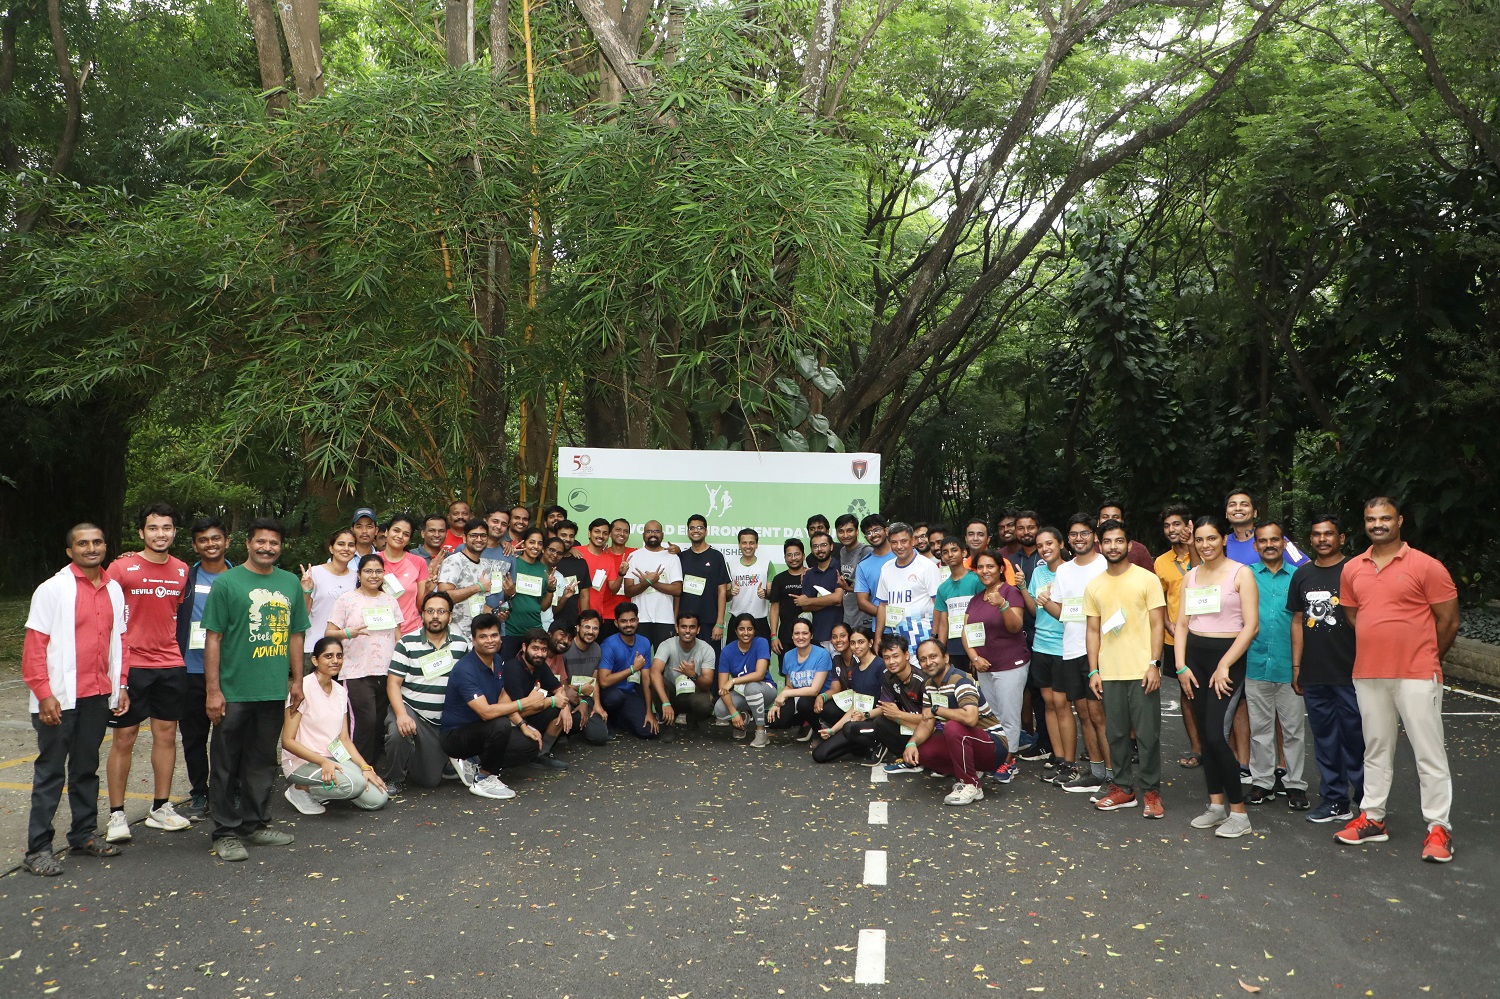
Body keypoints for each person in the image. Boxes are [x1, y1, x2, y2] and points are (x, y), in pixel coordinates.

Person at [1333, 497, 1460, 863]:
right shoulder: (1353, 568)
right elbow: (1355, 615)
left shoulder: (1426, 566)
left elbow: (1449, 621)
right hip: (1369, 672)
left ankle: (1439, 828)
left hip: (1417, 673)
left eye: (1385, 517)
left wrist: (1427, 657)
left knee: (1429, 753)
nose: (1378, 523)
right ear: (1364, 522)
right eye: (1371, 518)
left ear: (1400, 520)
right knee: (1375, 749)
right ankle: (1373, 818)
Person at [20, 524, 128, 877]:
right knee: (50, 773)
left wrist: (120, 685)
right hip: (58, 699)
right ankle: (38, 849)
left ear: (105, 546)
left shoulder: (113, 589)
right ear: (70, 551)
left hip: (97, 696)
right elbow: (34, 649)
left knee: (85, 770)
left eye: (97, 542)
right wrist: (44, 693)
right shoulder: (52, 590)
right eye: (83, 543)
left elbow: (120, 644)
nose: (91, 548)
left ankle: (82, 835)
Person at [202, 517, 310, 861]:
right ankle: (225, 831)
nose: (267, 548)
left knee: (262, 761)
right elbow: (213, 638)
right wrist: (213, 690)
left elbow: (296, 635)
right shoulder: (227, 583)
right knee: (225, 763)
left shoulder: (290, 582)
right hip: (233, 692)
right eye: (261, 541)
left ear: (281, 548)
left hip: (271, 690)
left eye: (274, 543)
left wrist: (296, 680)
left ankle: (256, 823)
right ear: (247, 543)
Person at [104, 503, 192, 842]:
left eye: (167, 528)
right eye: (153, 528)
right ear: (141, 532)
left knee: (167, 735)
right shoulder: (121, 568)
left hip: (170, 664)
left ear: (173, 532)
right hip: (131, 666)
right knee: (124, 738)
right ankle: (116, 815)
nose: (161, 534)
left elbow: (176, 614)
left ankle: (160, 807)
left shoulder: (182, 570)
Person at [1175, 515, 1260, 840]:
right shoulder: (1192, 576)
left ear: (1223, 539)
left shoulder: (1242, 574)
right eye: (1199, 540)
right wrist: (1181, 666)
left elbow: (1250, 626)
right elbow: (1182, 624)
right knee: (1204, 734)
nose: (1205, 545)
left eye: (1211, 538)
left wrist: (1225, 664)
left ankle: (1238, 813)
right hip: (1195, 660)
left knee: (1214, 734)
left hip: (1228, 660)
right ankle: (1215, 805)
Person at [1084, 521, 1168, 818]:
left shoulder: (1147, 579)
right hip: (1110, 672)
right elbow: (1092, 631)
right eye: (1107, 541)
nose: (1113, 547)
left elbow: (1158, 624)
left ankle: (1151, 792)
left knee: (1147, 735)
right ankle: (1123, 789)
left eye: (1119, 541)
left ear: (1129, 545)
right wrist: (1093, 671)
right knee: (1116, 734)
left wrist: (1154, 664)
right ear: (1100, 545)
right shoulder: (1094, 585)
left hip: (1142, 669)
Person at [1289, 514, 1363, 824]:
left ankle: (1367, 803)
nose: (1322, 539)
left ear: (1341, 538)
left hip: (1352, 673)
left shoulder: (1356, 571)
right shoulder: (1302, 574)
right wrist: (1296, 667)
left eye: (1329, 534)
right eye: (1317, 534)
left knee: (1357, 739)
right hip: (1315, 674)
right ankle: (1335, 800)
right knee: (1326, 741)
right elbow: (1296, 621)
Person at [1035, 515, 1109, 794]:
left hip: (1101, 651)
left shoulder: (1104, 565)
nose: (1079, 538)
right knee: (1084, 715)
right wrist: (1046, 604)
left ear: (1094, 536)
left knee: (1100, 715)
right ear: (1069, 538)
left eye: (1084, 533)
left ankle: (1114, 776)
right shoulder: (1063, 572)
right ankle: (1096, 771)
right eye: (1074, 534)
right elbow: (1064, 614)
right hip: (1071, 648)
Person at [439, 613, 545, 799]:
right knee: (500, 724)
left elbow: (502, 697)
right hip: (456, 736)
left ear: (500, 638)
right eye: (483, 636)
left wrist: (522, 725)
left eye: (494, 635)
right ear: (473, 640)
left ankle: (474, 762)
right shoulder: (465, 669)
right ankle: (484, 777)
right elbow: (486, 712)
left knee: (530, 745)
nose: (490, 641)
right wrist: (526, 702)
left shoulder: (497, 660)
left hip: (483, 731)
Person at [281, 637, 389, 815]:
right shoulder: (302, 689)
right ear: (315, 660)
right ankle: (301, 789)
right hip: (301, 762)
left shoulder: (340, 691)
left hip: (333, 759)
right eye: (328, 656)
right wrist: (322, 761)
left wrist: (365, 768)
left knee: (378, 798)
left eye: (339, 656)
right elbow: (287, 741)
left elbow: (344, 739)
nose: (335, 660)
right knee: (355, 784)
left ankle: (325, 790)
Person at [1244, 521, 1310, 809]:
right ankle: (1262, 782)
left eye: (1274, 539)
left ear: (1284, 543)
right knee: (1259, 729)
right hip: (1255, 663)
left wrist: (1302, 665)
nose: (1269, 545)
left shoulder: (1300, 576)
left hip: (1289, 666)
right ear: (1255, 545)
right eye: (1263, 540)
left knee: (1293, 730)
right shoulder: (1245, 577)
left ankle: (1295, 784)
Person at [175, 516, 233, 821]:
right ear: (195, 545)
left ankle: (229, 789)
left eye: (216, 538)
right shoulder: (185, 578)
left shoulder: (241, 577)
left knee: (231, 736)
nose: (210, 544)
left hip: (232, 671)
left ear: (227, 541)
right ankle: (199, 791)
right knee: (194, 737)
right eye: (203, 540)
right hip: (191, 669)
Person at [385, 591, 471, 791]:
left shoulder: (461, 644)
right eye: (430, 611)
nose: (435, 616)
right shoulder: (407, 643)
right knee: (398, 733)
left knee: (430, 780)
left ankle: (421, 757)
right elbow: (393, 684)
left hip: (443, 720)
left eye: (441, 611)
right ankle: (393, 778)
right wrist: (401, 715)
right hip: (411, 709)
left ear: (450, 616)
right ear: (422, 614)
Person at [907, 638, 1010, 805]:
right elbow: (927, 722)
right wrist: (911, 744)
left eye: (933, 656)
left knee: (953, 727)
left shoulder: (961, 680)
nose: (928, 662)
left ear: (946, 657)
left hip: (994, 744)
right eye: (923, 659)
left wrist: (936, 710)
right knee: (923, 749)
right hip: (969, 741)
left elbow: (970, 718)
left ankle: (972, 785)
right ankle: (969, 772)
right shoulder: (928, 685)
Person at [324, 553, 401, 769]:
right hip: (356, 671)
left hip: (386, 672)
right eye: (368, 571)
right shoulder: (347, 600)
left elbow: (398, 637)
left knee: (378, 724)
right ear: (359, 574)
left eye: (378, 571)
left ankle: (371, 770)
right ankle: (356, 771)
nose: (373, 575)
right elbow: (328, 633)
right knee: (363, 723)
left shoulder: (390, 601)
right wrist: (348, 632)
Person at [961, 552, 1028, 783]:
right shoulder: (976, 598)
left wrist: (1003, 606)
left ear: (1001, 568)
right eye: (980, 567)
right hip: (984, 667)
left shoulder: (1011, 592)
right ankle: (996, 757)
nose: (985, 571)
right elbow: (966, 631)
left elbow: (1015, 626)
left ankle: (1010, 761)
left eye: (990, 566)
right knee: (993, 716)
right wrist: (974, 657)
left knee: (1009, 716)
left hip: (1010, 664)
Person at [812, 634, 927, 766]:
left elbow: (929, 720)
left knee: (870, 724)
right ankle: (865, 747)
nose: (891, 662)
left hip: (917, 728)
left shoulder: (921, 680)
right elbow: (883, 707)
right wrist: (862, 716)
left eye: (895, 656)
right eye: (887, 658)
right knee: (820, 754)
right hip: (895, 722)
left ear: (906, 655)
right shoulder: (886, 675)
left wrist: (897, 715)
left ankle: (890, 749)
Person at [1154, 504, 1203, 769]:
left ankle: (1221, 746)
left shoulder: (1208, 550)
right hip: (1176, 638)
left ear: (1189, 524)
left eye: (1177, 524)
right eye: (1167, 526)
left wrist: (1194, 545)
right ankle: (1196, 747)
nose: (1172, 530)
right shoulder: (1161, 561)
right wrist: (1167, 623)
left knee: (1216, 691)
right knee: (1187, 693)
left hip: (1209, 634)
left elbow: (1199, 576)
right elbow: (1159, 600)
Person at [1021, 528, 1072, 778]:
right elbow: (1032, 609)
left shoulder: (1071, 571)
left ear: (1060, 543)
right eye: (1040, 545)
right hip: (1040, 644)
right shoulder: (1039, 573)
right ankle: (1058, 756)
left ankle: (1069, 762)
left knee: (1062, 704)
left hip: (1064, 645)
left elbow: (1071, 612)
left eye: (1049, 543)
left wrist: (1048, 602)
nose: (1044, 548)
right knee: (1049, 705)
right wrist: (1022, 587)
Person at [500, 628, 580, 770]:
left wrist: (565, 707)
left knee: (562, 711)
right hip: (511, 719)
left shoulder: (539, 665)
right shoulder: (513, 668)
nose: (539, 654)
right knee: (555, 705)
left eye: (543, 650)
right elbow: (518, 710)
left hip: (529, 712)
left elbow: (559, 688)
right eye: (535, 648)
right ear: (524, 647)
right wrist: (552, 701)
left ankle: (542, 754)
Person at [651, 611, 719, 740]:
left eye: (692, 627)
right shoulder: (666, 645)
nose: (687, 631)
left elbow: (707, 683)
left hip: (693, 693)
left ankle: (692, 721)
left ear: (698, 629)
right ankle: (668, 725)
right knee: (655, 681)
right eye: (683, 627)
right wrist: (665, 703)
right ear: (677, 628)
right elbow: (654, 671)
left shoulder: (707, 649)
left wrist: (693, 675)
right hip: (671, 695)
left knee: (705, 704)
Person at [874, 522, 943, 645]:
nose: (899, 546)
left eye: (903, 541)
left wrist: (935, 636)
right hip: (898, 641)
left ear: (912, 541)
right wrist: (878, 637)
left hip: (924, 638)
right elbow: (883, 605)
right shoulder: (886, 568)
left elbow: (939, 604)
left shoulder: (927, 567)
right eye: (894, 542)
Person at [713, 613, 776, 747]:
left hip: (766, 689)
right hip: (743, 693)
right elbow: (722, 688)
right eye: (741, 629)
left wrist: (733, 681)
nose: (746, 633)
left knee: (752, 688)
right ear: (735, 631)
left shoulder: (761, 642)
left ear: (754, 630)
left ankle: (761, 732)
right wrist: (733, 713)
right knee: (719, 709)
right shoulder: (727, 652)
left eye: (750, 629)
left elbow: (759, 674)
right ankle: (743, 717)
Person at [595, 602, 656, 739]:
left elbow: (646, 679)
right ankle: (610, 721)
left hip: (630, 692)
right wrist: (633, 669)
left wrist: (649, 711)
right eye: (624, 621)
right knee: (615, 697)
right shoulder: (609, 645)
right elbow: (604, 681)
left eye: (632, 620)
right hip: (610, 693)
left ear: (637, 621)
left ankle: (622, 721)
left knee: (649, 731)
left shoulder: (644, 642)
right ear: (616, 623)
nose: (629, 624)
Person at [766, 620, 834, 740]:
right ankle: (805, 721)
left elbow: (814, 690)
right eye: (797, 633)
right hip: (799, 695)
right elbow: (789, 685)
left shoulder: (822, 654)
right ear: (792, 636)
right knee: (776, 722)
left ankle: (818, 730)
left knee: (804, 703)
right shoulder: (788, 655)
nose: (800, 637)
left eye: (805, 633)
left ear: (811, 635)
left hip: (820, 698)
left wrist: (785, 693)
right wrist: (778, 702)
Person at [621, 520, 683, 648]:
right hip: (640, 620)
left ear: (662, 534)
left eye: (656, 531)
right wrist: (648, 582)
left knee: (664, 664)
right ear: (643, 535)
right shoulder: (634, 556)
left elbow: (677, 590)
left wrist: (652, 582)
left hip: (665, 620)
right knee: (640, 661)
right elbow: (628, 591)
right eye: (649, 531)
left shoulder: (672, 557)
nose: (653, 534)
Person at [438, 518, 501, 640]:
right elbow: (443, 597)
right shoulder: (454, 561)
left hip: (477, 636)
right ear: (464, 538)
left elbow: (479, 601)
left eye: (483, 536)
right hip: (455, 636)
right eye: (474, 535)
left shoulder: (485, 565)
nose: (479, 539)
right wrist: (478, 587)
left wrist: (495, 613)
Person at [498, 527, 555, 659]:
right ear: (523, 544)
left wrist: (551, 588)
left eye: (540, 543)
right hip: (511, 630)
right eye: (532, 542)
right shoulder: (512, 563)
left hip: (534, 630)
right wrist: (509, 593)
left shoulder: (543, 569)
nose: (536, 546)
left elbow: (543, 606)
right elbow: (501, 595)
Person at [301, 528, 358, 653]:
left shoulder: (357, 577)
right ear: (331, 548)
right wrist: (306, 592)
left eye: (351, 545)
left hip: (348, 650)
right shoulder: (315, 573)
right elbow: (302, 615)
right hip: (316, 647)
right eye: (341, 544)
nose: (346, 548)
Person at [816, 626, 881, 735]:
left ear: (870, 643)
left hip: (872, 713)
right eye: (834, 637)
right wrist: (822, 696)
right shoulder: (837, 660)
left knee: (848, 729)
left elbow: (887, 704)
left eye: (842, 636)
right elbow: (835, 688)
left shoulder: (872, 663)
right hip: (853, 705)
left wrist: (865, 715)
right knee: (821, 752)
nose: (838, 640)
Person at [934, 537, 984, 675]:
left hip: (976, 643)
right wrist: (942, 653)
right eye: (945, 552)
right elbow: (943, 623)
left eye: (954, 550)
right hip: (954, 647)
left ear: (964, 553)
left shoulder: (976, 580)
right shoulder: (943, 588)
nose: (950, 555)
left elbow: (983, 615)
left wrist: (977, 652)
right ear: (942, 558)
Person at [562, 610, 610, 745]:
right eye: (587, 627)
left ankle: (579, 726)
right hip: (565, 698)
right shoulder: (566, 648)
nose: (591, 632)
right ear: (577, 628)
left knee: (600, 738)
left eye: (595, 628)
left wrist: (597, 705)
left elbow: (595, 681)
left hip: (586, 697)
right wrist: (579, 697)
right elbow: (559, 685)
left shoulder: (597, 649)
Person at [378, 514, 427, 634]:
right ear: (386, 532)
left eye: (406, 534)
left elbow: (421, 606)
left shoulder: (418, 562)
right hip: (379, 629)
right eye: (396, 531)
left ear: (409, 539)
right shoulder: (372, 561)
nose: (400, 536)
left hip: (411, 631)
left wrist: (428, 589)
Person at [578, 518, 625, 638]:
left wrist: (621, 575)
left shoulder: (608, 559)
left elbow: (613, 589)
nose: (601, 536)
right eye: (597, 532)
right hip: (575, 615)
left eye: (605, 533)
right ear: (589, 533)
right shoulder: (577, 552)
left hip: (596, 618)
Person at [799, 532, 846, 652]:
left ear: (831, 546)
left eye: (823, 545)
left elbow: (838, 599)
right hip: (818, 636)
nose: (819, 549)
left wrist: (810, 601)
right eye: (815, 546)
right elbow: (804, 606)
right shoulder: (809, 574)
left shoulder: (840, 567)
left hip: (842, 636)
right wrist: (831, 600)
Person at [768, 538, 810, 668]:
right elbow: (774, 608)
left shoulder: (812, 575)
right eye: (789, 555)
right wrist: (774, 636)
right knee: (789, 672)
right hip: (786, 636)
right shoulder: (779, 579)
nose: (793, 558)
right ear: (785, 557)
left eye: (797, 554)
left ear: (803, 555)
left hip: (810, 635)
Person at [728, 528, 774, 639]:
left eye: (751, 543)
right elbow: (724, 596)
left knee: (761, 656)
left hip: (760, 621)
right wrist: (731, 593)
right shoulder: (730, 564)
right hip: (736, 620)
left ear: (757, 545)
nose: (748, 546)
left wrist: (765, 593)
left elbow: (772, 594)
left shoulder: (767, 564)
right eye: (744, 543)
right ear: (739, 545)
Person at [549, 520, 592, 630]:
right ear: (555, 536)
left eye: (571, 536)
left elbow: (584, 596)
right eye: (563, 535)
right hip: (546, 621)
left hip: (571, 623)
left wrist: (585, 622)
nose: (568, 539)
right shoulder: (547, 560)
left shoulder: (581, 563)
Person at [853, 515, 895, 624]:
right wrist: (889, 617)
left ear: (886, 531)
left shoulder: (903, 553)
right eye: (869, 532)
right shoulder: (863, 565)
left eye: (877, 530)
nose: (873, 535)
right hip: (882, 627)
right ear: (865, 537)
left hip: (912, 624)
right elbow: (862, 602)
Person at [836, 514, 873, 630]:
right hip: (849, 615)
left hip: (864, 616)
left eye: (849, 531)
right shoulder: (842, 551)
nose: (845, 535)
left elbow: (872, 587)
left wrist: (847, 587)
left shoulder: (866, 551)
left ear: (857, 532)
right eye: (841, 531)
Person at [1095, 499, 1155, 571]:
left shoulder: (1139, 550)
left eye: (1115, 517)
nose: (1110, 520)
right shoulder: (1089, 549)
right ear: (1098, 522)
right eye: (1105, 517)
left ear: (1122, 521)